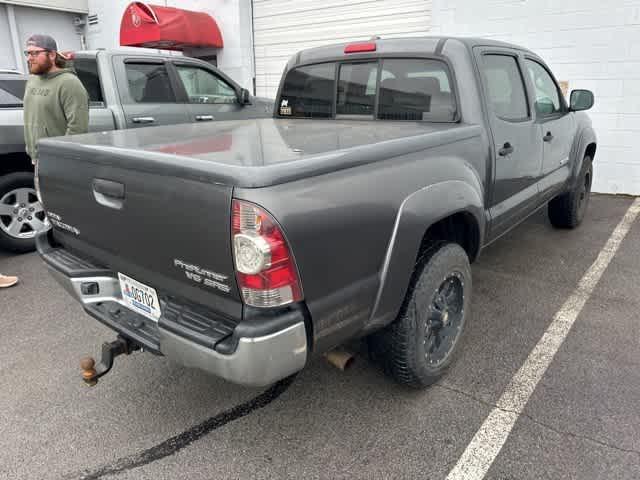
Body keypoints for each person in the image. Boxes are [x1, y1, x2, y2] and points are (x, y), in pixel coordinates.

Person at [23, 34, 89, 167]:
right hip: (37, 156)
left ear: (52, 55)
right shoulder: (32, 80)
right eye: (28, 53)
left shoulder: (69, 83)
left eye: (35, 53)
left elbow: (78, 128)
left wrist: (60, 156)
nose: (29, 58)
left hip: (59, 160)